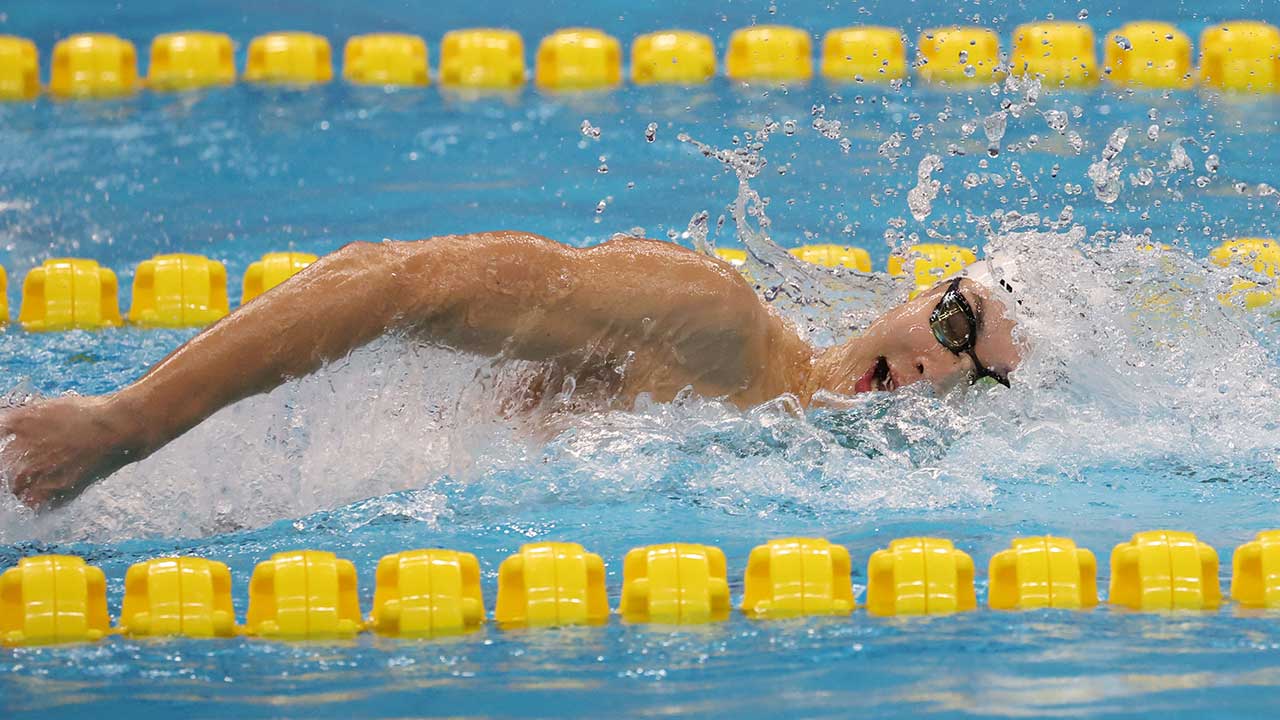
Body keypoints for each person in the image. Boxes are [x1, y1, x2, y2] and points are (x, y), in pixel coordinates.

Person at [0, 231, 1021, 509]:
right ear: (910, 285)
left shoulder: (842, 479)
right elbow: (391, 281)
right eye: (951, 317)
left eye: (976, 373)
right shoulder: (712, 320)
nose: (938, 362)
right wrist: (123, 425)